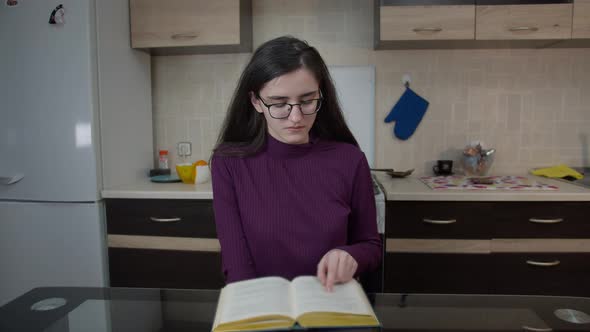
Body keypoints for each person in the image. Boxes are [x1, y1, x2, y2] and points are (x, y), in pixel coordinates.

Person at [211, 36, 381, 292]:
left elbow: (370, 245)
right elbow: (236, 264)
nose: (296, 117)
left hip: (331, 304)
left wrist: (352, 256)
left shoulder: (350, 159)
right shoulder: (229, 163)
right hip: (259, 307)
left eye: (307, 100)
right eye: (279, 104)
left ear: (321, 94)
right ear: (256, 102)